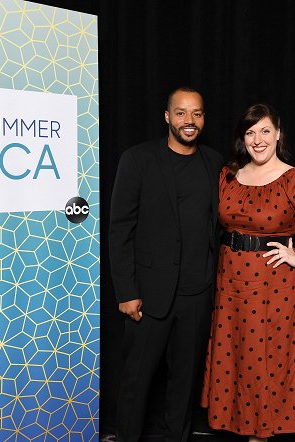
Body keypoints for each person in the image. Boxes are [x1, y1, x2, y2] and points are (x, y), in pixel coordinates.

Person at [201, 103, 295, 441]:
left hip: (273, 287)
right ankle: (246, 432)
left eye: (265, 131)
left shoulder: (294, 178)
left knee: (263, 366)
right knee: (236, 361)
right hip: (230, 285)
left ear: (278, 134)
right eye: (251, 132)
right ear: (243, 138)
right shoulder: (229, 175)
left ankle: (260, 437)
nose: (258, 139)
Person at [109, 87, 224, 442]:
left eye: (197, 114)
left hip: (197, 293)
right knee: (136, 381)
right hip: (148, 296)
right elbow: (120, 229)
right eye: (181, 113)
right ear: (167, 116)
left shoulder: (215, 163)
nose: (189, 121)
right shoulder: (137, 159)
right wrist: (127, 291)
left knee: (183, 384)